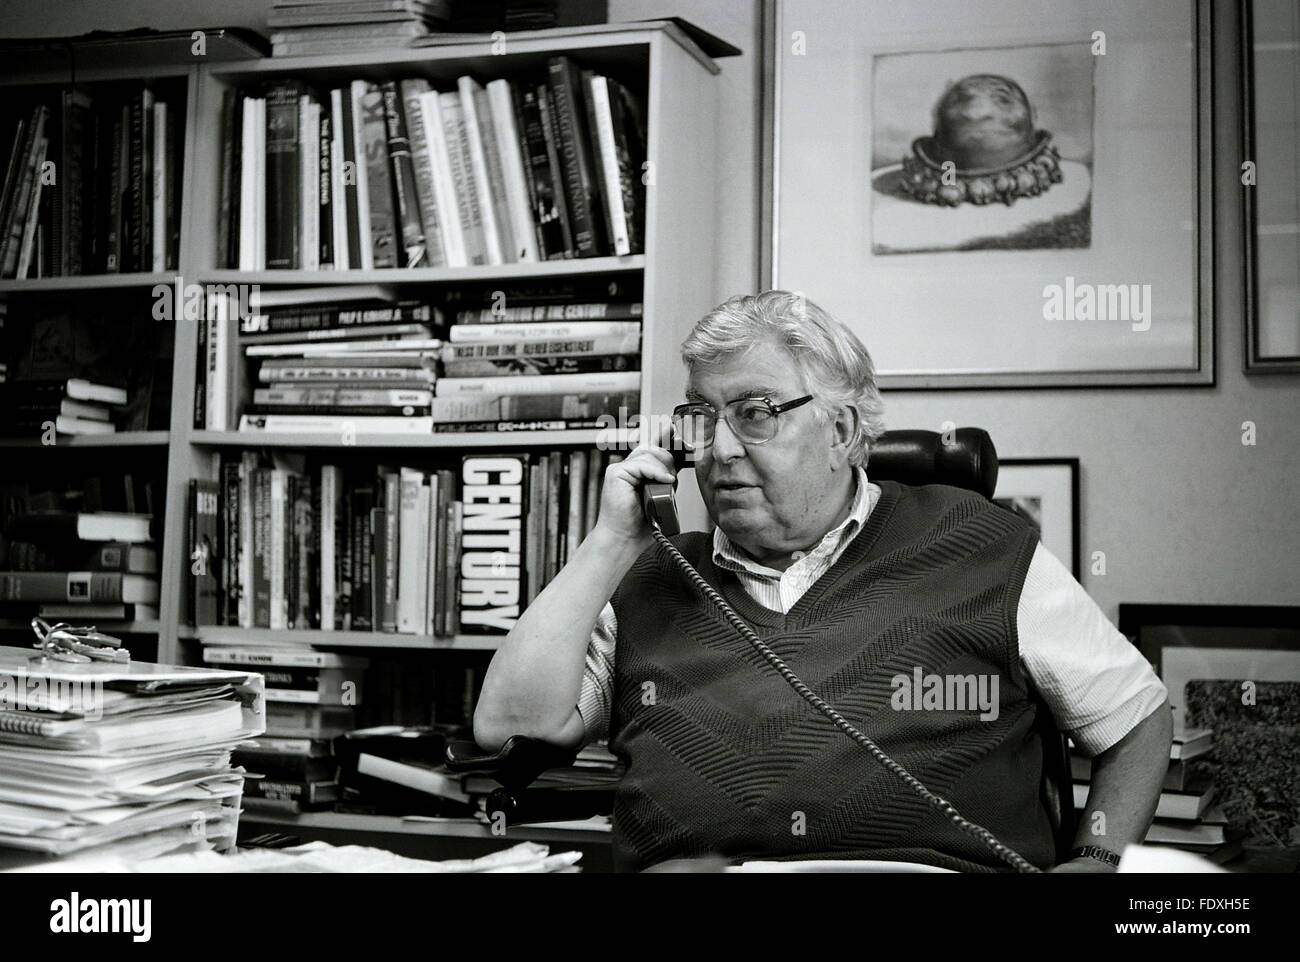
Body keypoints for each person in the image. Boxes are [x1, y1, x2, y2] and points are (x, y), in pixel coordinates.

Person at [474, 290, 1172, 873]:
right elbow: (507, 730)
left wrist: (1101, 860)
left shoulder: (980, 545)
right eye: (702, 417)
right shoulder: (655, 571)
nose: (717, 450)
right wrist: (612, 540)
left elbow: (1136, 719)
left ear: (839, 430)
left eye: (753, 413)